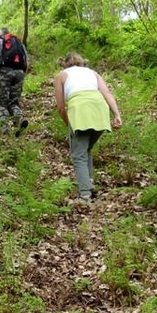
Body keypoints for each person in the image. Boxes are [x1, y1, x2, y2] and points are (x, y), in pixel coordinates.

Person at [54, 52, 122, 205]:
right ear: (82, 62)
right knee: (86, 150)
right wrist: (117, 115)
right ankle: (89, 184)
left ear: (65, 63)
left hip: (80, 111)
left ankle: (84, 195)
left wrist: (69, 123)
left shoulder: (61, 75)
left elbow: (60, 107)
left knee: (78, 155)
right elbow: (107, 93)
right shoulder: (93, 73)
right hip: (100, 110)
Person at [0, 27, 29, 136]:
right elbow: (27, 63)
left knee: (2, 103)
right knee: (14, 102)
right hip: (20, 73)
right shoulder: (20, 44)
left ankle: (4, 128)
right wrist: (21, 76)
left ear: (0, 34)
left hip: (5, 72)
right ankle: (19, 120)